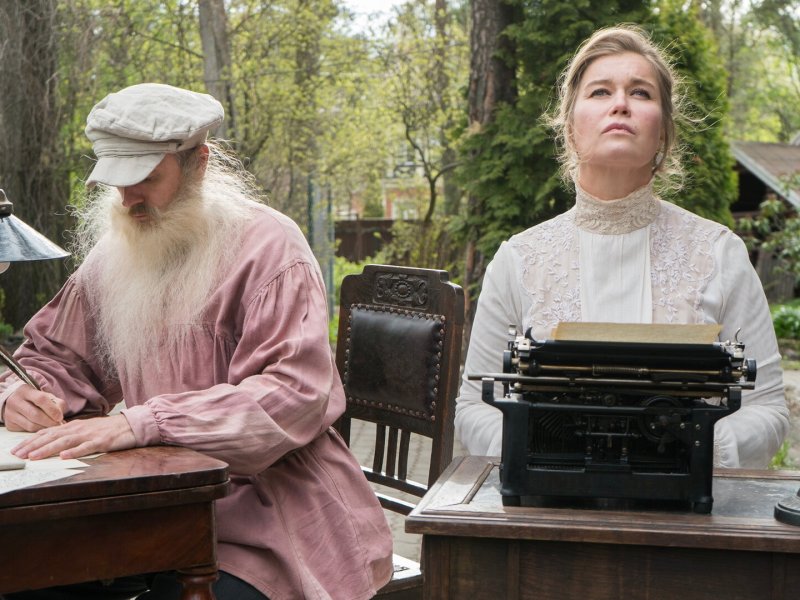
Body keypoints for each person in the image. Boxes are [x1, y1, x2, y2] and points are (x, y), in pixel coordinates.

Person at [0, 83, 392, 599]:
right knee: (24, 577)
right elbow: (57, 359)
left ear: (198, 164)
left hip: (268, 520)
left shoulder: (270, 247)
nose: (128, 199)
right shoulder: (117, 252)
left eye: (146, 178)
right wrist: (19, 395)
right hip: (151, 506)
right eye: (117, 183)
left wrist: (142, 422)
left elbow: (292, 393)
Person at [455, 25, 789, 468]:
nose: (620, 104)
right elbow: (474, 405)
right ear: (569, 128)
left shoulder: (719, 254)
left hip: (688, 506)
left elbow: (768, 408)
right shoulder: (518, 260)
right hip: (547, 504)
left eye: (640, 93)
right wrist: (540, 451)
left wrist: (700, 450)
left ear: (663, 132)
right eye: (599, 92)